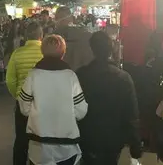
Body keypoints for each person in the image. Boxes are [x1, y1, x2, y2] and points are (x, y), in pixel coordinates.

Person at [18, 34, 88, 165]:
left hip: (38, 145)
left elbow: (24, 107)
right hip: (67, 145)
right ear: (63, 53)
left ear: (42, 52)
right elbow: (81, 110)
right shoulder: (70, 76)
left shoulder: (33, 75)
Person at [76, 31, 142, 164]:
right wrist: (135, 145)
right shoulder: (123, 78)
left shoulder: (80, 75)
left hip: (86, 136)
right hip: (113, 139)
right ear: (111, 50)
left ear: (92, 48)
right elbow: (131, 114)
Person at [7, 22, 44, 165]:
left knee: (21, 139)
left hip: (22, 102)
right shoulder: (44, 53)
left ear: (26, 36)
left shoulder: (17, 53)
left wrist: (17, 95)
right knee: (40, 138)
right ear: (41, 36)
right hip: (42, 103)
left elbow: (10, 80)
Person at [54, 7, 93, 71]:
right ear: (71, 18)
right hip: (82, 77)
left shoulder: (50, 40)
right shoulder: (87, 36)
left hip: (59, 78)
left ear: (56, 19)